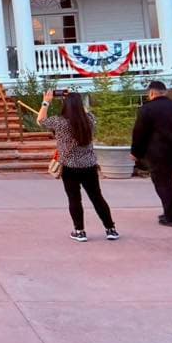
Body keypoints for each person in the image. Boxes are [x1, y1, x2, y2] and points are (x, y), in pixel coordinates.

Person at [38, 89, 118, 242]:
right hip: (89, 165)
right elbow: (84, 112)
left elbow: (41, 120)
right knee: (97, 198)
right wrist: (76, 100)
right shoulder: (90, 119)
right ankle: (111, 229)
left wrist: (46, 101)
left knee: (74, 199)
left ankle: (79, 231)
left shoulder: (60, 122)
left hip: (69, 166)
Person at [131, 80, 172, 228]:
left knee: (163, 183)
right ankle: (169, 212)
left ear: (152, 93)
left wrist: (135, 152)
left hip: (158, 153)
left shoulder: (146, 110)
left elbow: (139, 133)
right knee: (167, 181)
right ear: (165, 92)